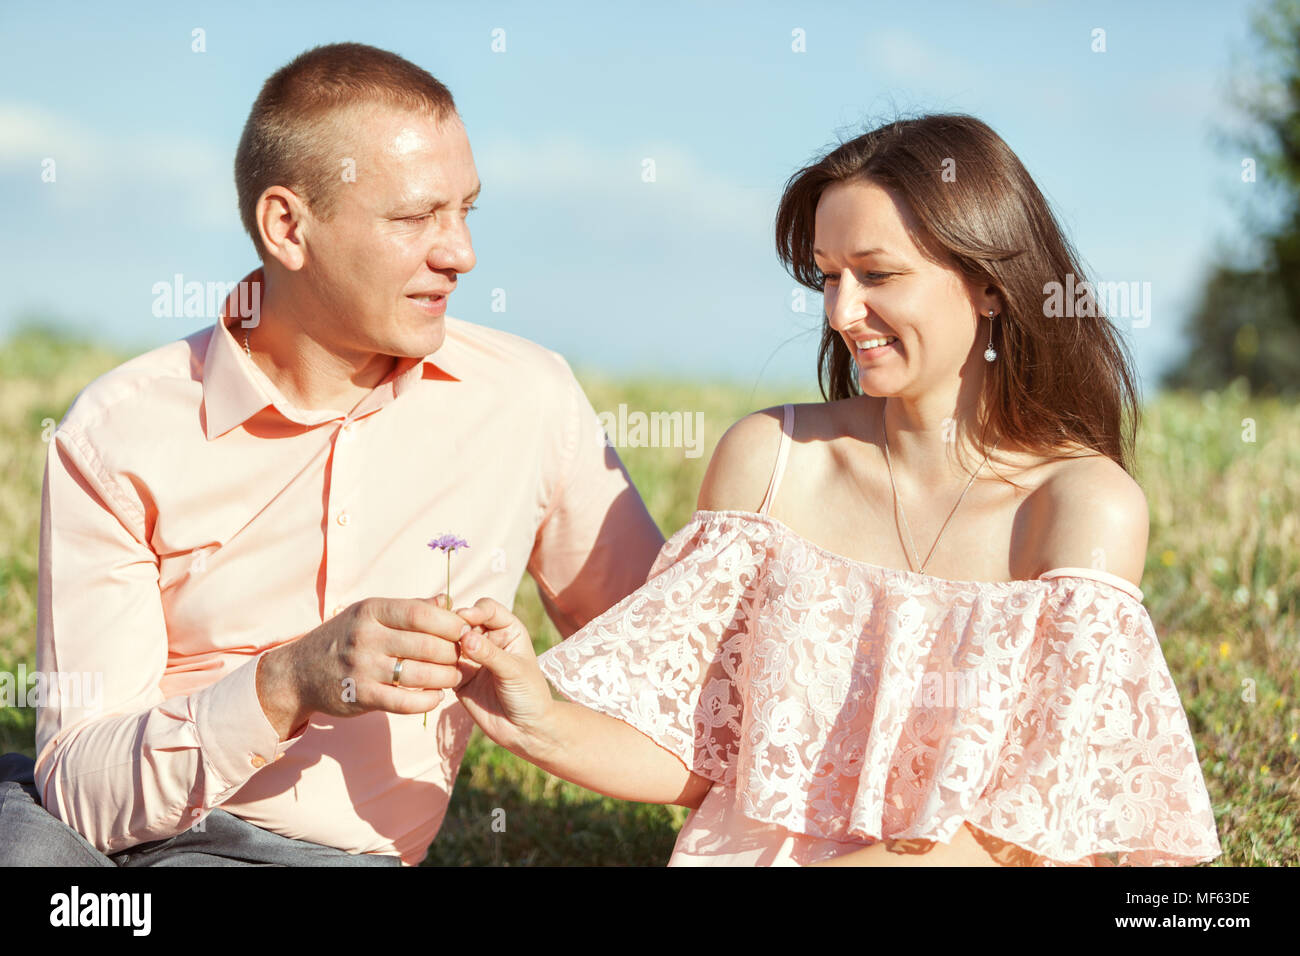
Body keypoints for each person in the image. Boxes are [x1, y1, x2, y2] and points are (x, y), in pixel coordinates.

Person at [438, 114, 1223, 866]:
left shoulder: (1082, 507)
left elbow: (1024, 826)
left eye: (877, 275)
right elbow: (708, 759)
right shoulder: (771, 459)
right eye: (828, 277)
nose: (843, 312)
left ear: (989, 284)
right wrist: (537, 715)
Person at [0, 42, 665, 866]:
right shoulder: (116, 432)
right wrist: (289, 681)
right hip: (99, 838)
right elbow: (80, 794)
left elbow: (678, 673)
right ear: (288, 226)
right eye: (415, 218)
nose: (460, 253)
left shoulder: (528, 400)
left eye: (466, 211)